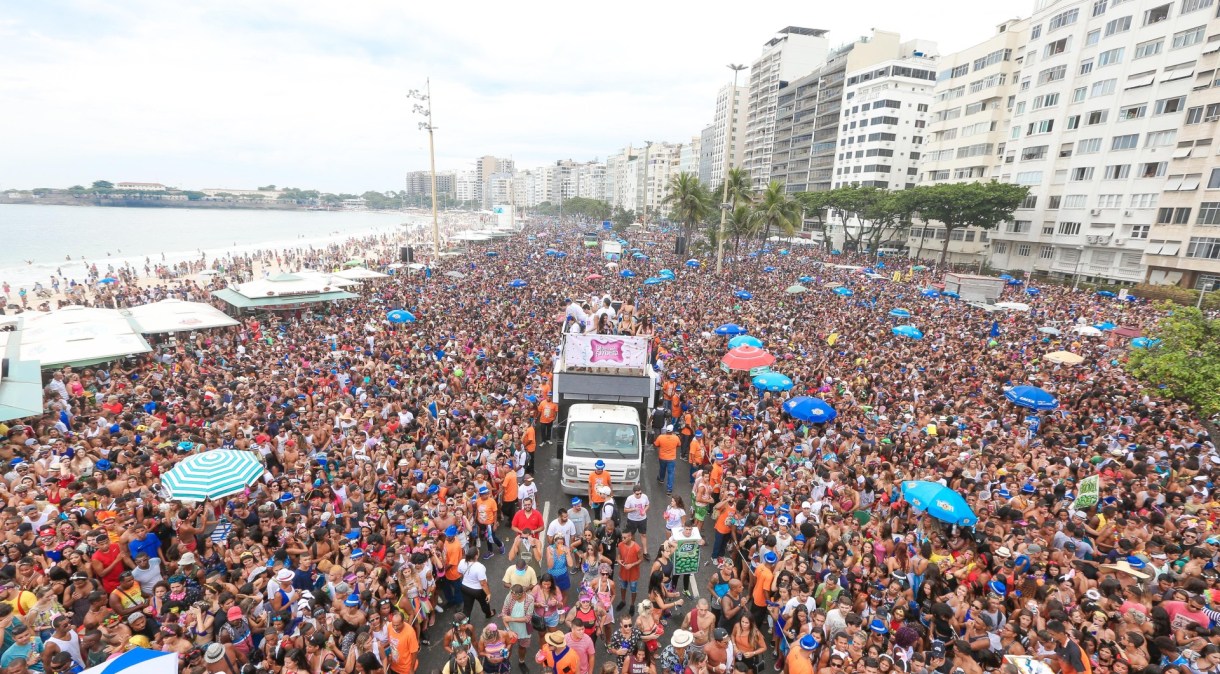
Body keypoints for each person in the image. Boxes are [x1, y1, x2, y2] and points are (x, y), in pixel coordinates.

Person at [458, 548, 494, 620]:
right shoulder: (480, 567)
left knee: (467, 608)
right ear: (476, 556)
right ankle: (488, 614)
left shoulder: (462, 562)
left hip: (465, 587)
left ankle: (465, 625)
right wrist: (488, 594)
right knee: (484, 603)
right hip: (478, 591)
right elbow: (483, 583)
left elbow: (460, 573)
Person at [623, 485, 650, 559]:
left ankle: (645, 552)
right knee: (632, 535)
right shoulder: (629, 499)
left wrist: (644, 510)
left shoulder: (644, 497)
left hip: (642, 519)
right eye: (637, 494)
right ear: (633, 493)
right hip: (632, 520)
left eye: (640, 493)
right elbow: (625, 510)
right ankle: (634, 550)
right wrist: (634, 509)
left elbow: (647, 505)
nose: (639, 495)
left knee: (643, 535)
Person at [653, 426, 679, 496]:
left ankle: (661, 479)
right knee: (671, 473)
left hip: (662, 457)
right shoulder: (676, 438)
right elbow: (679, 444)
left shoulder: (661, 437)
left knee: (662, 469)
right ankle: (669, 490)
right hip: (671, 458)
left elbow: (655, 444)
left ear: (666, 431)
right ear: (672, 431)